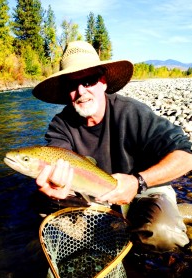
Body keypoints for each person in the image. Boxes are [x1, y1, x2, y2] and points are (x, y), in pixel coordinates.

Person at [32, 41, 192, 251]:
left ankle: (173, 212)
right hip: (93, 193)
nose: (81, 91)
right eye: (73, 85)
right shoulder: (60, 126)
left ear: (104, 82)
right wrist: (56, 190)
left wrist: (139, 182)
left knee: (162, 234)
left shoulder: (132, 113)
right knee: (44, 205)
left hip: (142, 189)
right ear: (66, 92)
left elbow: (187, 155)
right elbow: (57, 160)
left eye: (89, 81)